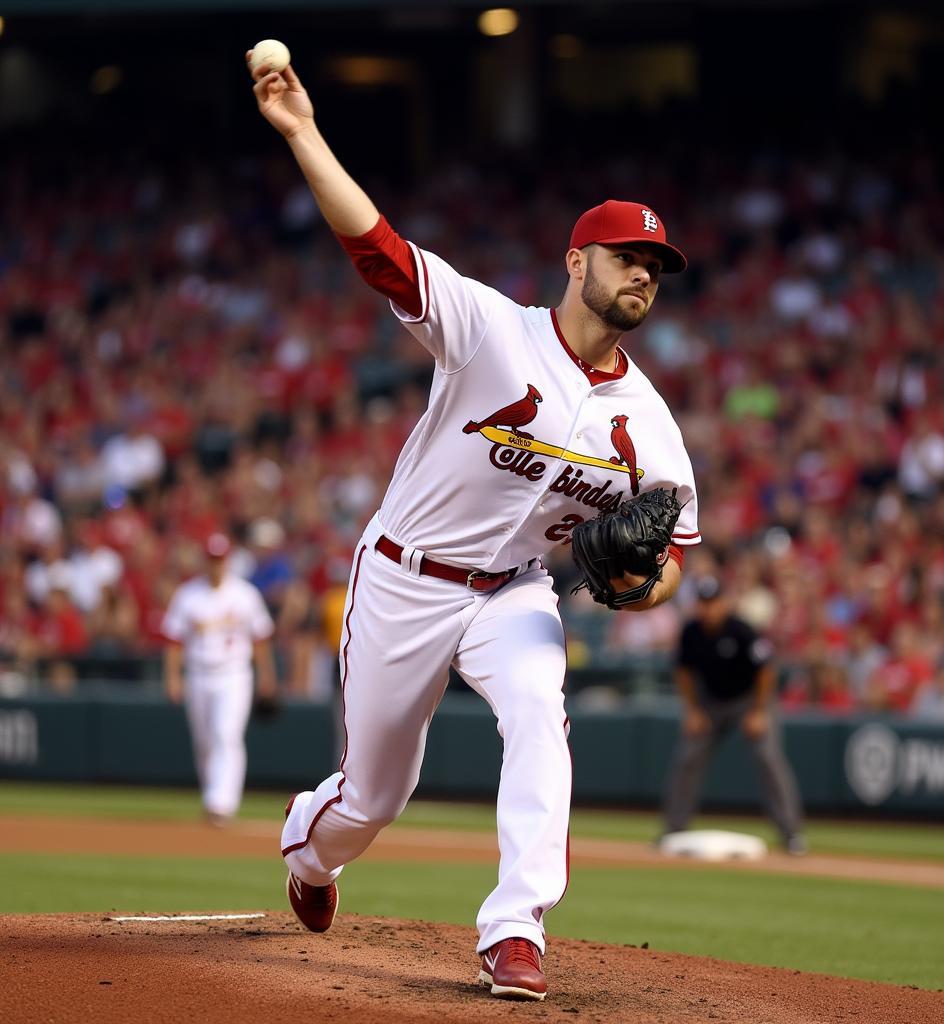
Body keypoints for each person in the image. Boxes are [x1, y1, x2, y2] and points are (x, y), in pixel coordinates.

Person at [249, 53, 701, 1002]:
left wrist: (635, 584)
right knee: (372, 799)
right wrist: (301, 133)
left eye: (657, 268)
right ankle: (311, 856)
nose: (644, 277)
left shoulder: (653, 430)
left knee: (540, 711)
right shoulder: (493, 331)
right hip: (406, 576)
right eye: (629, 258)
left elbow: (674, 563)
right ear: (578, 261)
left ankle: (515, 928)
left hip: (515, 593)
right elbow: (378, 248)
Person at [661, 576, 806, 855]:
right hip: (709, 703)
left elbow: (766, 671)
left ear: (724, 603)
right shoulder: (691, 631)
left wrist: (759, 712)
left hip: (748, 700)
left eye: (713, 603)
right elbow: (683, 672)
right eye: (703, 603)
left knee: (768, 758)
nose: (708, 609)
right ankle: (673, 829)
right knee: (687, 757)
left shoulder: (741, 630)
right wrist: (692, 710)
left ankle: (791, 833)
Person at [162, 533, 277, 826]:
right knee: (204, 742)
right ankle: (212, 797)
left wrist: (267, 676)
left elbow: (261, 639)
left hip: (234, 673)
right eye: (212, 560)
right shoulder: (188, 595)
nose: (216, 565)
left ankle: (221, 803)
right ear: (205, 561)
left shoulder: (245, 594)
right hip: (198, 674)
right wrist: (173, 677)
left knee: (226, 735)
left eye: (220, 560)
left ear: (228, 561)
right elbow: (174, 641)